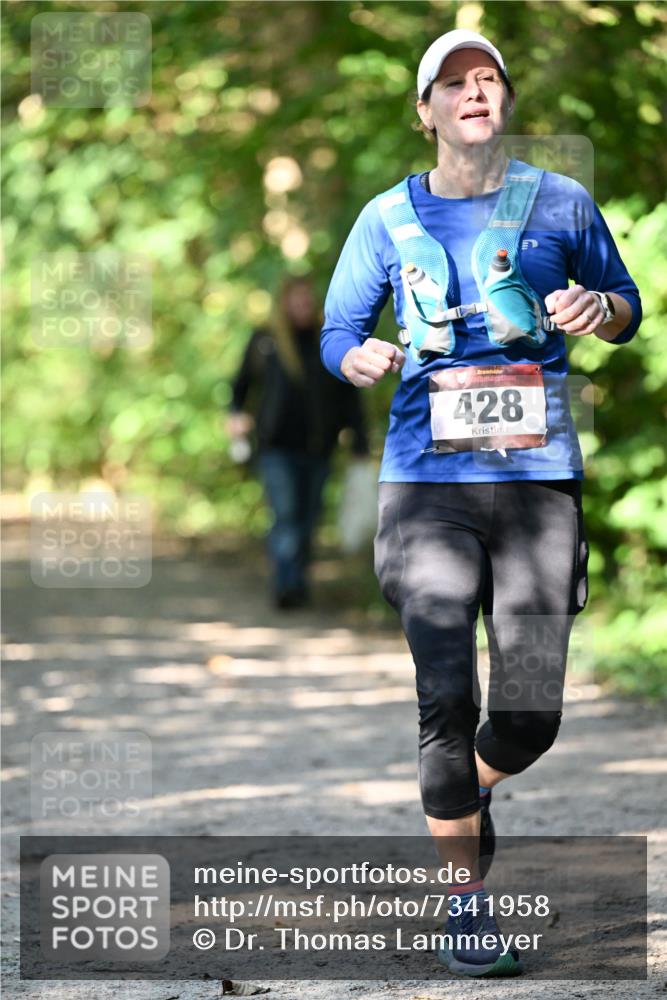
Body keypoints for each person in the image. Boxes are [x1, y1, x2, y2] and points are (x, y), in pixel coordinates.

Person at [321, 29, 641, 977]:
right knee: (444, 699)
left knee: (531, 713)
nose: (473, 92)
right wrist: (357, 357)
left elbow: (626, 305)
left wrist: (600, 312)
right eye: (451, 83)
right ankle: (463, 902)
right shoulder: (386, 218)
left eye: (487, 78)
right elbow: (341, 328)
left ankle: (466, 791)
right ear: (423, 112)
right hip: (426, 487)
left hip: (537, 482)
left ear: (503, 101)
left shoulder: (560, 202)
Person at [228, 275, 369, 609]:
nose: (303, 306)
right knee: (286, 515)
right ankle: (286, 585)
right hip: (276, 447)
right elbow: (241, 385)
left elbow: (348, 396)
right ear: (285, 303)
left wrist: (360, 440)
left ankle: (298, 580)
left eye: (308, 300)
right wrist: (235, 415)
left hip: (319, 447)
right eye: (297, 300)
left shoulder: (329, 341)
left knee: (308, 518)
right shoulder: (266, 341)